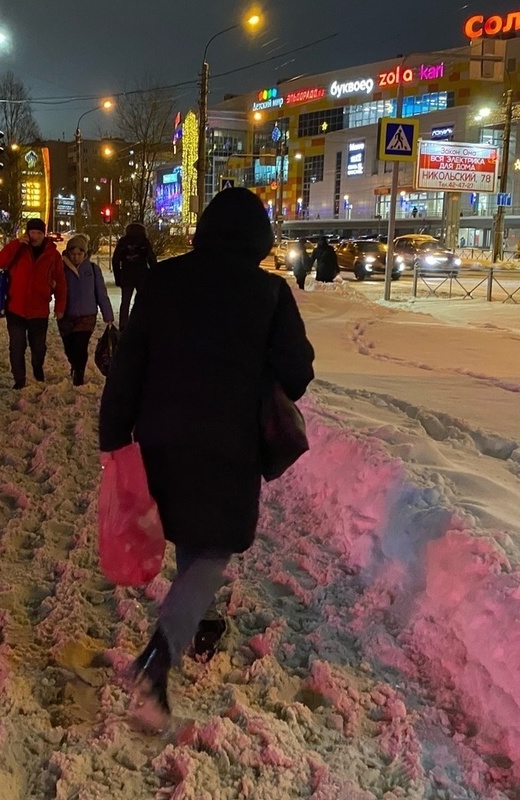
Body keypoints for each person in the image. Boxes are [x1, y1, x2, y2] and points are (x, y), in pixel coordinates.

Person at [99, 187, 315, 729]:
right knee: (214, 544)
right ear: (259, 239)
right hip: (230, 442)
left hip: (162, 436)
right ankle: (160, 653)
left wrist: (113, 434)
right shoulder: (269, 293)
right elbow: (299, 372)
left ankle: (200, 618)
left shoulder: (164, 280)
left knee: (192, 532)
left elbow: (129, 362)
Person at [0, 218, 66, 389]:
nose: (35, 236)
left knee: (38, 347)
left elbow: (61, 282)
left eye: (39, 233)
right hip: (15, 309)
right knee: (17, 347)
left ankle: (37, 367)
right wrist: (15, 244)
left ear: (44, 234)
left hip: (39, 311)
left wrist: (60, 307)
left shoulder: (52, 255)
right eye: (32, 232)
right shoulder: (18, 249)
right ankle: (19, 379)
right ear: (28, 233)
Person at [58, 234, 113, 386]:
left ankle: (79, 375)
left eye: (79, 253)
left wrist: (107, 314)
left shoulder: (93, 270)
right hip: (66, 316)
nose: (76, 257)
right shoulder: (61, 269)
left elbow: (101, 293)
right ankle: (74, 365)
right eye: (73, 253)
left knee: (81, 346)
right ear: (68, 253)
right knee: (69, 348)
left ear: (85, 253)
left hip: (87, 316)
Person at [111, 222, 158, 329]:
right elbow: (151, 259)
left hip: (126, 275)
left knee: (125, 302)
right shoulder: (144, 242)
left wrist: (118, 277)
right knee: (143, 300)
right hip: (142, 275)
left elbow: (115, 260)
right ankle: (144, 323)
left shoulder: (123, 242)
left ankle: (123, 326)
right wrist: (153, 275)